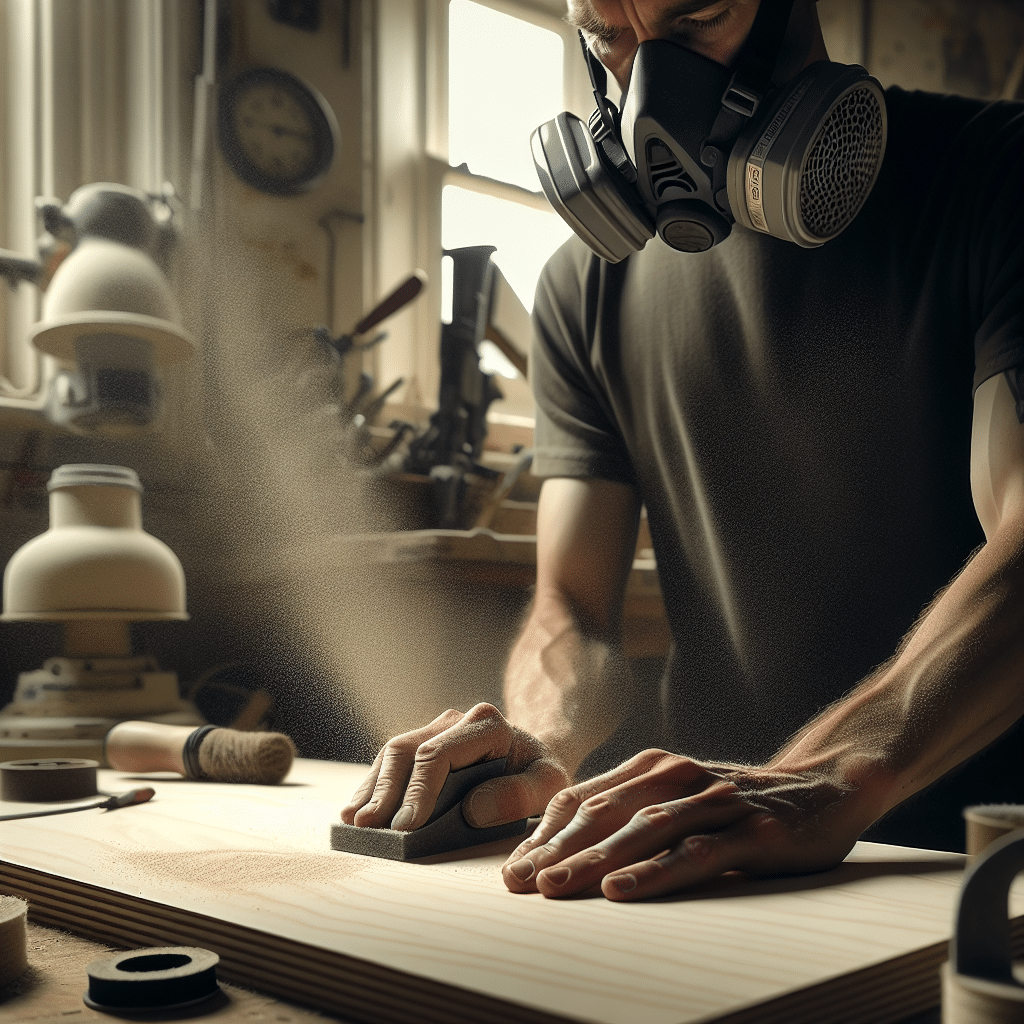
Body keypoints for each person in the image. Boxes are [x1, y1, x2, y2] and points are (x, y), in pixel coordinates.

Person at [342, 0, 1024, 901]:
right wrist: (541, 741)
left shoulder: (999, 175)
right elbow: (571, 605)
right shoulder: (582, 287)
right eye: (609, 39)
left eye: (698, 19)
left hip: (982, 859)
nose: (651, 85)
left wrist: (834, 773)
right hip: (708, 852)